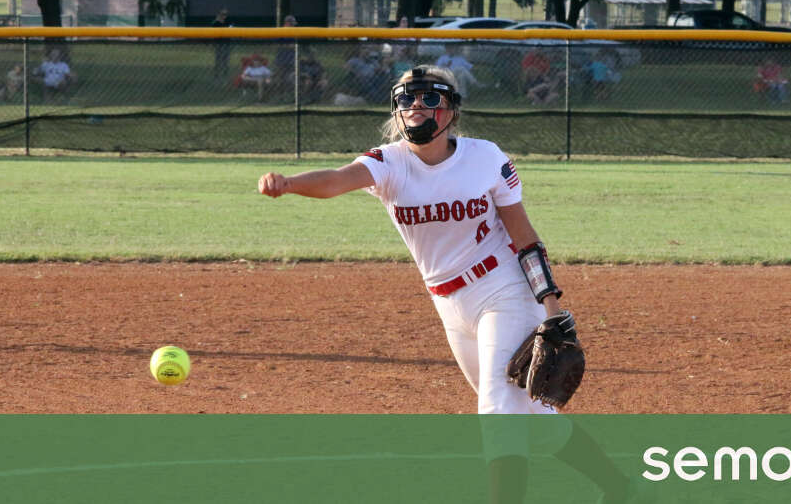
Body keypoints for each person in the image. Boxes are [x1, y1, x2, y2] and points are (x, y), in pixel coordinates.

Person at [258, 66, 625, 504]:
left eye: (430, 98)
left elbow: (526, 239)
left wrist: (550, 308)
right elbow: (337, 179)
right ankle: (622, 489)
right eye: (408, 99)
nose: (417, 107)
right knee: (534, 423)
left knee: (498, 411)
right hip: (449, 304)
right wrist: (291, 185)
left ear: (451, 110)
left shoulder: (485, 157)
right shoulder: (389, 162)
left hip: (503, 290)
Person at [211, 8, 233, 83]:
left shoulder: (228, 21)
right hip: (218, 44)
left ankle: (225, 77)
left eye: (225, 14)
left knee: (225, 61)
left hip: (226, 43)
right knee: (218, 61)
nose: (224, 16)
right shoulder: (216, 22)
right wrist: (217, 21)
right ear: (219, 14)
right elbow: (212, 28)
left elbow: (231, 28)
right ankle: (216, 77)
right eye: (222, 14)